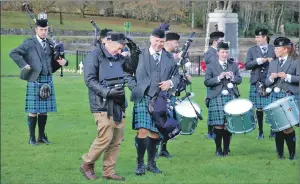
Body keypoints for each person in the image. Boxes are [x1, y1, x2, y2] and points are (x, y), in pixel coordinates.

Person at [125, 28, 180, 175]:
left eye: (162, 41)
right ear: (151, 39)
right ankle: (140, 163)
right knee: (142, 130)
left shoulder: (169, 57)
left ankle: (151, 163)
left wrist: (170, 82)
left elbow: (177, 76)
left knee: (155, 133)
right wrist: (135, 87)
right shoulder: (139, 55)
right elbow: (126, 73)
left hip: (160, 99)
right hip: (143, 97)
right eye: (157, 40)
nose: (159, 44)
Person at [9, 12, 68, 146]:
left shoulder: (50, 44)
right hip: (35, 80)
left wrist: (63, 61)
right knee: (33, 110)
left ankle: (42, 136)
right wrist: (24, 65)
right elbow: (13, 53)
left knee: (44, 110)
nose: (44, 32)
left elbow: (54, 62)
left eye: (46, 30)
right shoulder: (29, 43)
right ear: (36, 30)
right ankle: (31, 138)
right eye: (41, 30)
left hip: (47, 78)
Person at [80, 32, 128, 181]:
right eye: (118, 48)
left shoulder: (118, 57)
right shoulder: (93, 56)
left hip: (119, 102)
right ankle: (87, 163)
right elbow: (89, 80)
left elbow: (129, 70)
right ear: (109, 42)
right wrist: (107, 93)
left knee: (116, 140)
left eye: (121, 49)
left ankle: (109, 171)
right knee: (105, 138)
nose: (119, 52)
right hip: (101, 103)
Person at [204, 42, 242, 157]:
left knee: (228, 124)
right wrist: (218, 77)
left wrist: (233, 77)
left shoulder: (233, 65)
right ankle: (218, 149)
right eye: (222, 52)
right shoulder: (211, 66)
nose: (225, 54)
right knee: (218, 125)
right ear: (218, 53)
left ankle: (226, 150)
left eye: (226, 52)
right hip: (216, 96)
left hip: (230, 96)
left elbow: (239, 80)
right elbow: (206, 82)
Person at [265, 36, 299, 160]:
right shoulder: (273, 62)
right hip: (275, 96)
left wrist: (287, 76)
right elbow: (267, 82)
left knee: (288, 127)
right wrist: (271, 78)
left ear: (285, 49)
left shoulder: (296, 61)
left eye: (277, 48)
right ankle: (280, 155)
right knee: (277, 126)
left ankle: (292, 155)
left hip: (289, 97)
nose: (274, 50)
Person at [245, 28, 276, 139]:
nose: (256, 39)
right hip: (256, 82)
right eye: (256, 37)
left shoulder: (273, 49)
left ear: (265, 37)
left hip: (270, 82)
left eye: (258, 37)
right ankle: (260, 132)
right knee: (259, 108)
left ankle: (273, 130)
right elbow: (247, 65)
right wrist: (258, 61)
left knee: (272, 107)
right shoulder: (252, 50)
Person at [203, 31, 225, 139]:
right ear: (215, 41)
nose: (223, 42)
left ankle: (218, 131)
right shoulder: (209, 53)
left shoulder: (218, 51)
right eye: (221, 41)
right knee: (212, 109)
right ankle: (210, 132)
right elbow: (216, 64)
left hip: (223, 84)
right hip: (213, 84)